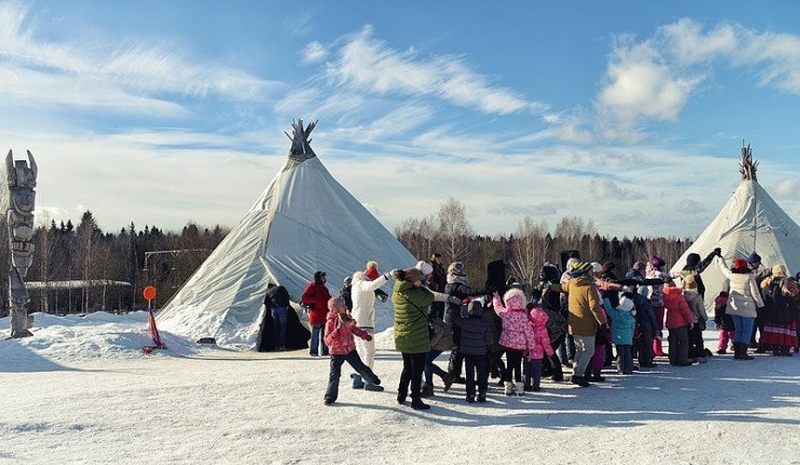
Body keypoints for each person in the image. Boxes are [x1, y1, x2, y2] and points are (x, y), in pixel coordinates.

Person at [392, 267, 458, 410]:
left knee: (407, 367)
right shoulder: (416, 295)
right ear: (412, 281)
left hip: (402, 336)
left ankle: (401, 394)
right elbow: (429, 297)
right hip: (416, 337)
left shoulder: (397, 292)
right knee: (417, 369)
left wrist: (416, 285)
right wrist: (421, 287)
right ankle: (416, 399)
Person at [549, 261, 607, 387]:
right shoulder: (589, 287)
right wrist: (602, 323)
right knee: (589, 351)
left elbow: (559, 287)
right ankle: (578, 375)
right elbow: (594, 308)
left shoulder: (572, 284)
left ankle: (576, 373)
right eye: (590, 271)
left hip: (574, 324)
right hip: (587, 325)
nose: (592, 273)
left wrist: (549, 284)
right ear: (586, 273)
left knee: (580, 350)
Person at [322, 297, 381, 405]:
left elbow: (354, 329)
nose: (345, 307)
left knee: (361, 367)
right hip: (336, 352)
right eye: (342, 306)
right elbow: (327, 340)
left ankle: (372, 378)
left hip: (349, 349)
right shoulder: (330, 322)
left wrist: (364, 335)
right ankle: (330, 396)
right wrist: (336, 332)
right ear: (336, 309)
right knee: (334, 375)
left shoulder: (348, 318)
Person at [443, 261, 490, 389]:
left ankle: (454, 373)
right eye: (462, 270)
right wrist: (486, 289)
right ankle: (453, 374)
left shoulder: (451, 284)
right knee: (458, 347)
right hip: (456, 318)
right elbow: (471, 291)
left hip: (453, 317)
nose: (464, 272)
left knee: (458, 346)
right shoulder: (457, 285)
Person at [349, 266, 395, 391]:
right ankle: (368, 380)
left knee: (361, 352)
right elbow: (372, 285)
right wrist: (388, 276)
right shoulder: (363, 284)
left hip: (357, 322)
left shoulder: (356, 285)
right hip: (364, 323)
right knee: (369, 352)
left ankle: (358, 378)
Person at [717, 256, 764, 360]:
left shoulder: (732, 275)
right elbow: (755, 293)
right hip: (748, 307)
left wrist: (720, 258)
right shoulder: (749, 276)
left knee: (738, 330)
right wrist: (760, 305)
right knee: (747, 331)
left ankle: (737, 352)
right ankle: (743, 352)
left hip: (735, 307)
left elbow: (724, 268)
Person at [492, 287, 537, 396]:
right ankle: (519, 387)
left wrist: (496, 297)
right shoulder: (523, 316)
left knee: (509, 364)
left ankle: (507, 387)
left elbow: (497, 307)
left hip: (508, 343)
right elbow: (529, 331)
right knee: (518, 365)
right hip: (520, 345)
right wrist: (531, 345)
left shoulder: (505, 313)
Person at [678, 249, 719, 363]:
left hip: (686, 305)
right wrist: (713, 254)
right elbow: (703, 265)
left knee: (689, 334)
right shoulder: (693, 271)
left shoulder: (683, 271)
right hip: (696, 302)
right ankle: (700, 354)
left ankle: (690, 354)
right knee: (697, 334)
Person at [450, 299, 494, 403]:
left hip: (468, 353)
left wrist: (459, 305)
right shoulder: (485, 324)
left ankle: (470, 394)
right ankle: (482, 393)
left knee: (470, 375)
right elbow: (489, 340)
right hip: (481, 353)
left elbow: (454, 317)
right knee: (482, 374)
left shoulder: (465, 322)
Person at [759, 265, 799, 356]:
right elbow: (792, 297)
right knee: (785, 331)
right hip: (785, 311)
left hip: (771, 311)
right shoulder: (787, 282)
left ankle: (775, 349)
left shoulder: (766, 282)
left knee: (774, 330)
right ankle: (785, 349)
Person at [663, 279, 695, 366]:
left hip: (670, 320)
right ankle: (682, 360)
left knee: (672, 342)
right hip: (680, 321)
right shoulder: (679, 296)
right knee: (683, 341)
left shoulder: (664, 295)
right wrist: (690, 321)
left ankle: (672, 360)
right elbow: (685, 310)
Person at [524, 305, 555, 392]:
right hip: (538, 354)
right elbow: (546, 343)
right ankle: (536, 386)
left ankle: (526, 385)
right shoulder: (542, 329)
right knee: (536, 371)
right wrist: (550, 352)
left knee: (527, 370)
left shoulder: (528, 326)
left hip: (527, 352)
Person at [603, 293, 637, 374]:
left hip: (619, 338)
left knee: (620, 354)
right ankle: (629, 369)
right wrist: (631, 336)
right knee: (628, 355)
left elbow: (608, 309)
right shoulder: (631, 317)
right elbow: (633, 328)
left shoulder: (616, 314)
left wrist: (605, 299)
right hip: (628, 339)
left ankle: (621, 369)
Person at [301, 271, 332, 357]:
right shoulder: (312, 286)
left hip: (325, 315)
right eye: (322, 277)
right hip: (316, 314)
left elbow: (327, 299)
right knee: (315, 335)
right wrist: (316, 301)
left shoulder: (324, 288)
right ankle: (314, 351)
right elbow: (304, 298)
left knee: (325, 335)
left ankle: (325, 351)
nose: (324, 279)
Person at [264, 283, 292, 351]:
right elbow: (286, 296)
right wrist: (287, 305)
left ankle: (275, 345)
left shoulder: (268, 292)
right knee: (283, 327)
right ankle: (281, 345)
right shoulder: (281, 287)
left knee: (275, 327)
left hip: (273, 309)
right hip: (282, 307)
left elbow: (265, 302)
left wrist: (271, 306)